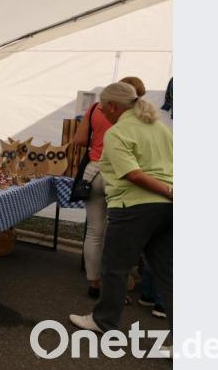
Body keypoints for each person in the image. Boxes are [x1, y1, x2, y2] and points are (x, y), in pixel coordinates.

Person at [69, 82, 172, 334]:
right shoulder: (161, 128)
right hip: (167, 209)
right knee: (167, 272)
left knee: (114, 267)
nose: (102, 113)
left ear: (113, 106)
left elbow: (133, 175)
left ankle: (104, 321)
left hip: (133, 207)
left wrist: (169, 191)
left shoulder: (117, 133)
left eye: (103, 109)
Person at [74, 76, 145, 298]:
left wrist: (99, 135)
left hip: (93, 172)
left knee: (95, 232)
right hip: (122, 175)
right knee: (119, 234)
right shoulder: (140, 115)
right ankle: (117, 288)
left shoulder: (96, 108)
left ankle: (94, 283)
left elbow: (79, 140)